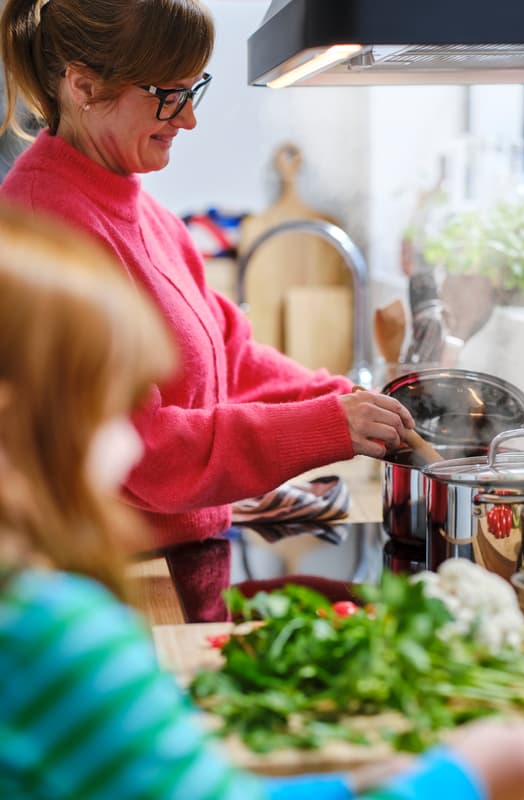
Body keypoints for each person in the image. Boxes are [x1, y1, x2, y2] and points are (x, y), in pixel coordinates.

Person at [0, 199, 524, 800]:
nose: (126, 441)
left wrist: (349, 785)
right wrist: (461, 778)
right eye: (110, 411)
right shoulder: (56, 637)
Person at [0, 0, 416, 621]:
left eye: (193, 89)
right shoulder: (45, 229)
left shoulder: (141, 209)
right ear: (84, 85)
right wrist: (329, 425)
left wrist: (347, 404)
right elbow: (143, 449)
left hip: (175, 561)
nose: (190, 117)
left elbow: (229, 353)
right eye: (169, 94)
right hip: (110, 591)